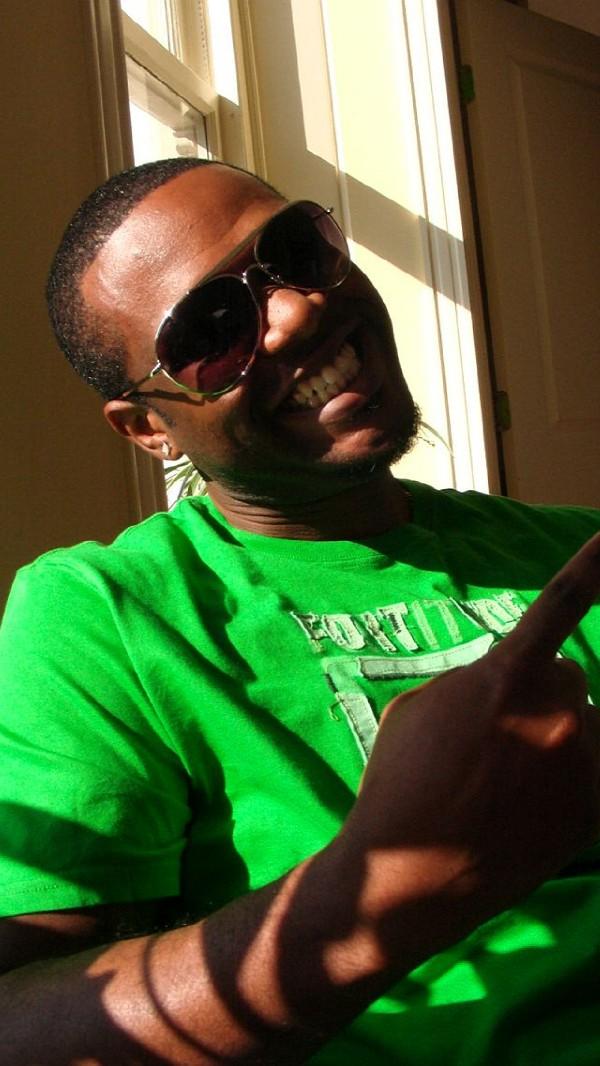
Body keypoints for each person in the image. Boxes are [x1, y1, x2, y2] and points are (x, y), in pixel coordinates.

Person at [0, 157, 599, 1065]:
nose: (296, 312)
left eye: (295, 251)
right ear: (148, 426)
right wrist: (381, 890)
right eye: (212, 330)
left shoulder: (575, 551)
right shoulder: (107, 612)